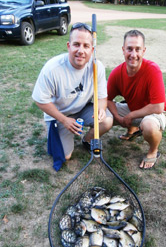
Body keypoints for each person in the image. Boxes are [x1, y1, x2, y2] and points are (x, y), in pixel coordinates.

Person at [32, 22, 112, 170]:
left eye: (86, 46)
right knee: (65, 156)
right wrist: (64, 120)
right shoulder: (53, 68)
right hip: (60, 115)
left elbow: (101, 97)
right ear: (69, 46)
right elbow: (39, 100)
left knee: (106, 120)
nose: (81, 51)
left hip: (82, 109)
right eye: (76, 44)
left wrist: (101, 109)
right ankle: (56, 133)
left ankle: (87, 140)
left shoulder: (97, 66)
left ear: (92, 49)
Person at [107, 29, 166, 169]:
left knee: (149, 126)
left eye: (138, 49)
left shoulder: (153, 70)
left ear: (144, 51)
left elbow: (158, 107)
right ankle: (132, 131)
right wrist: (118, 116)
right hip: (133, 108)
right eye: (129, 49)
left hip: (154, 113)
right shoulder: (117, 73)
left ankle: (153, 151)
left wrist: (130, 115)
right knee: (102, 111)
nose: (133, 54)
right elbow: (107, 99)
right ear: (123, 50)